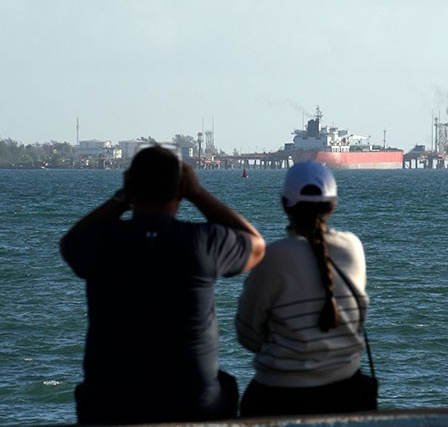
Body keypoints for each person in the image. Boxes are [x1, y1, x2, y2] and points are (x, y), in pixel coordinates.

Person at [60, 145, 265, 424]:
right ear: (180, 189)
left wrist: (122, 197)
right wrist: (198, 193)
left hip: (110, 404)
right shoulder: (201, 243)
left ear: (130, 185)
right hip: (192, 405)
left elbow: (70, 242)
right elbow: (256, 245)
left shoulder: (103, 241)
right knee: (225, 384)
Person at [235, 161, 375, 417]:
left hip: (280, 396)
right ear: (333, 205)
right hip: (347, 393)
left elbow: (248, 336)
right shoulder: (353, 247)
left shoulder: (273, 257)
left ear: (284, 205)